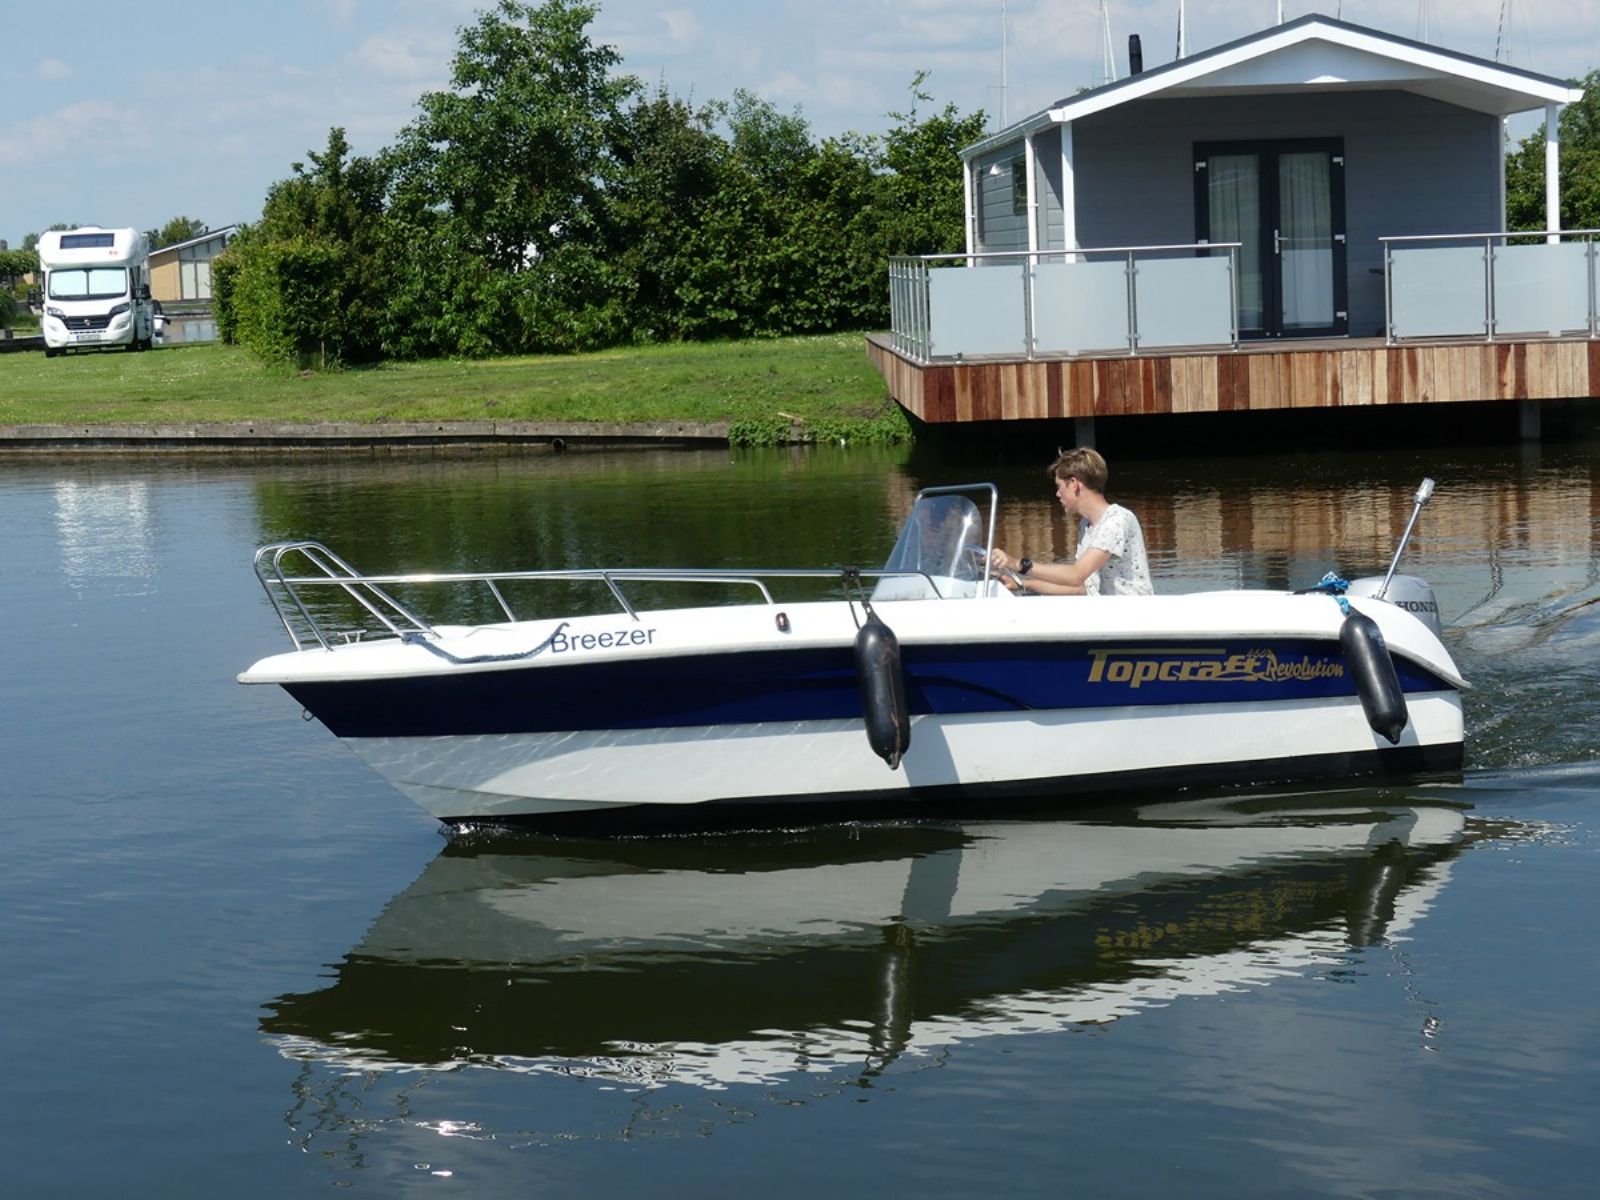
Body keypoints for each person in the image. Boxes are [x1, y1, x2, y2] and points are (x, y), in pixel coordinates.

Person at [989, 447, 1153, 596]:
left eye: (1059, 486)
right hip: (1108, 616)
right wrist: (1021, 584)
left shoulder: (1117, 520)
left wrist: (1018, 564)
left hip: (1135, 616)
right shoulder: (1086, 525)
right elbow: (1080, 587)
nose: (1057, 494)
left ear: (1074, 484)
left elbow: (1076, 575)